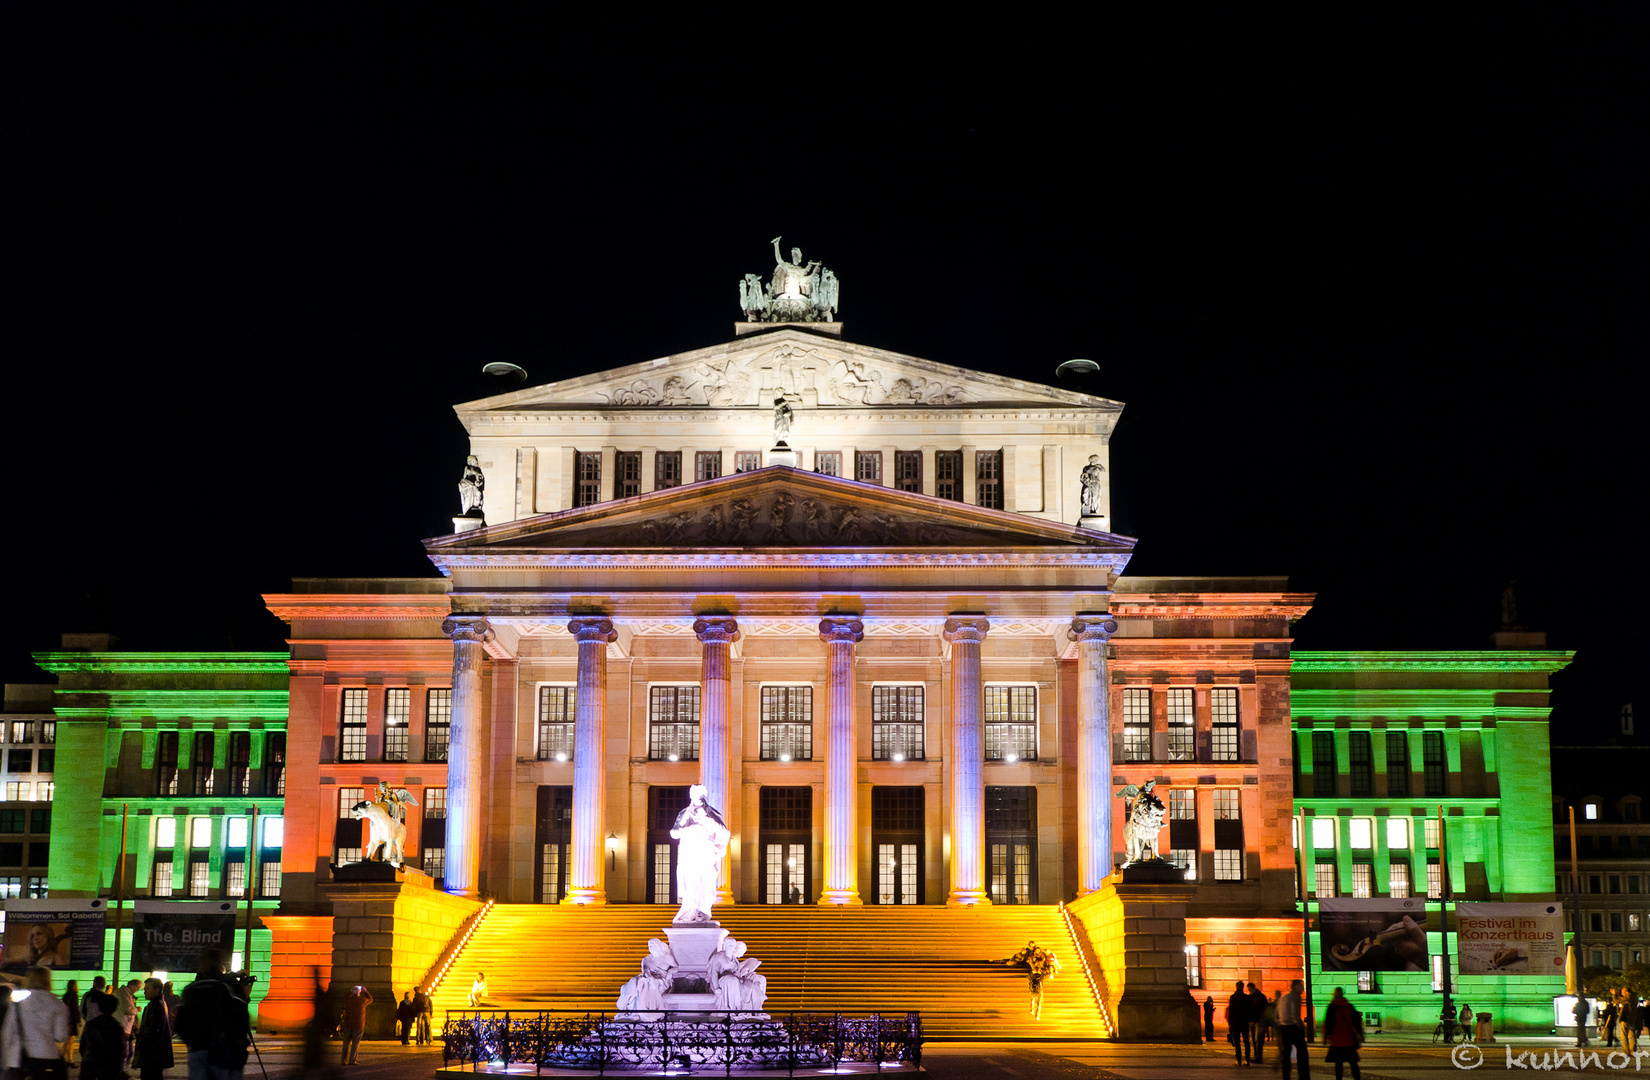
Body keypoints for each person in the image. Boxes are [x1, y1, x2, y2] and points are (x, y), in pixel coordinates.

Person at [175, 950, 251, 1080]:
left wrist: (192, 1041)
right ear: (220, 966)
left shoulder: (190, 989)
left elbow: (179, 1023)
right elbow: (242, 1018)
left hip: (197, 1049)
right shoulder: (227, 987)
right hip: (224, 1050)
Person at [2, 966, 71, 1080]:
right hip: (49, 1058)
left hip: (21, 1061)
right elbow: (61, 1036)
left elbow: (7, 1033)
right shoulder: (58, 1004)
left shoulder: (18, 1003)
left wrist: (6, 1061)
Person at [135, 978, 174, 1080]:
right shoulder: (160, 1003)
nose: (144, 991)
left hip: (152, 1054)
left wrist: (141, 1040)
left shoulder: (155, 1005)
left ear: (156, 990)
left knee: (150, 1076)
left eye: (147, 988)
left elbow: (152, 1029)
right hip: (156, 1053)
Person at [78, 992, 124, 1080]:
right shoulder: (116, 1027)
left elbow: (82, 1046)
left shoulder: (91, 1025)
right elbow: (120, 1050)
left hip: (90, 1065)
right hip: (109, 1067)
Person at [1322, 987, 1362, 1080]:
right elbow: (1356, 1022)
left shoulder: (1332, 1007)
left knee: (1338, 1063)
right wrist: (1359, 1035)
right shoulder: (1349, 1006)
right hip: (1348, 1039)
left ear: (1334, 994)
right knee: (1353, 1063)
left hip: (1337, 1039)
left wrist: (1325, 1038)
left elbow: (1328, 1023)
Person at [1276, 979, 1310, 1080]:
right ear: (1295, 987)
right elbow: (1294, 1014)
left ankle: (1286, 1075)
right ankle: (1303, 1075)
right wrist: (1302, 1026)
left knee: (1286, 1053)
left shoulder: (1283, 997)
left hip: (1283, 1027)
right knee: (1302, 1052)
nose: (1303, 989)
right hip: (1292, 1027)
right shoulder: (1296, 997)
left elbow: (1276, 1014)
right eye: (1301, 986)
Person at [340, 984, 372, 1066]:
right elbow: (371, 999)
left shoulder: (348, 1000)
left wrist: (351, 991)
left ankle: (343, 1060)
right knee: (355, 1043)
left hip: (347, 1024)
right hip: (358, 1024)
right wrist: (365, 991)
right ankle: (352, 1060)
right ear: (359, 993)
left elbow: (345, 997)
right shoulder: (362, 1000)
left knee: (346, 1043)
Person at [115, 980, 140, 1070]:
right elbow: (128, 1009)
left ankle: (122, 1070)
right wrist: (136, 1009)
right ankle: (121, 1071)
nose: (138, 990)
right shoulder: (124, 993)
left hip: (126, 1027)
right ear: (133, 985)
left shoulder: (125, 993)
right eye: (138, 987)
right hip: (123, 1026)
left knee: (127, 1052)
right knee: (124, 1052)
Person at [1227, 981, 1253, 1065]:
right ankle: (1247, 1060)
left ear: (1236, 987)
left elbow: (1231, 1011)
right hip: (1244, 1022)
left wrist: (1230, 1023)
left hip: (1235, 1022)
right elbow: (1250, 1010)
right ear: (1243, 987)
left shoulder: (1233, 997)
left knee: (1237, 1042)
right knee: (1246, 1041)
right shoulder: (1247, 998)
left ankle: (1238, 1060)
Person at [60, 979, 80, 1066]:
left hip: (66, 1019)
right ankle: (69, 1059)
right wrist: (78, 1020)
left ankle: (65, 1058)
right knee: (70, 1041)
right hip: (72, 1020)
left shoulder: (66, 995)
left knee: (68, 1040)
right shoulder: (74, 995)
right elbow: (75, 1009)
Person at [1248, 982, 1269, 1064]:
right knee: (1256, 1040)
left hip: (1257, 1021)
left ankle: (1258, 1056)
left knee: (1257, 1040)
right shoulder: (1260, 996)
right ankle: (1257, 1056)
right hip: (1258, 1021)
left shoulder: (1255, 997)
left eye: (1249, 989)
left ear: (1251, 988)